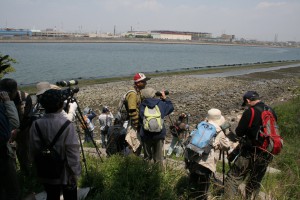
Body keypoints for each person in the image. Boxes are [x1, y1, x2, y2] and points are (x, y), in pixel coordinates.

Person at [29, 89, 81, 200]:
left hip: (46, 170)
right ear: (61, 104)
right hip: (65, 172)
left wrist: (37, 167)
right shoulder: (67, 124)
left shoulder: (36, 124)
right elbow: (73, 151)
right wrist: (75, 172)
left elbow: (33, 148)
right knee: (70, 196)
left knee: (51, 195)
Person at [224, 91, 276, 199]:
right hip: (266, 152)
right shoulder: (271, 110)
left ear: (248, 100)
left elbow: (239, 132)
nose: (246, 105)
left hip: (250, 151)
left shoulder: (250, 112)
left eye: (246, 103)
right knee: (255, 181)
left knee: (233, 178)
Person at [185, 108, 230, 200]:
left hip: (193, 158)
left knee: (193, 183)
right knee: (203, 188)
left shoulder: (200, 125)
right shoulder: (218, 131)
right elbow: (227, 146)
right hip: (206, 163)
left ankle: (190, 196)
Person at [0, 78, 33, 175]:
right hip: (7, 132)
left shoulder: (25, 97)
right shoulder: (2, 99)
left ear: (15, 90)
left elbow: (28, 117)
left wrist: (17, 130)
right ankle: (13, 174)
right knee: (10, 157)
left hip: (23, 131)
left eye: (10, 93)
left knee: (24, 154)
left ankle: (27, 174)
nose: (9, 96)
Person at [139, 87, 174, 164]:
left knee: (147, 157)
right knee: (158, 158)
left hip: (146, 134)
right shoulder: (161, 104)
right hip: (159, 134)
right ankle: (158, 174)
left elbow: (140, 118)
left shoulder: (142, 105)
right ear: (154, 95)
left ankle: (146, 173)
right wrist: (165, 99)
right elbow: (171, 108)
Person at [0, 90, 20, 200]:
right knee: (12, 190)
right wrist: (8, 102)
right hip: (3, 154)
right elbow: (15, 123)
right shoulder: (2, 107)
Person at [124, 73, 151, 156]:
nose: (146, 83)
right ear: (138, 83)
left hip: (134, 123)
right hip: (133, 124)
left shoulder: (137, 92)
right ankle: (132, 164)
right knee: (134, 144)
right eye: (144, 81)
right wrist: (137, 126)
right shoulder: (133, 94)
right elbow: (132, 111)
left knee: (136, 144)